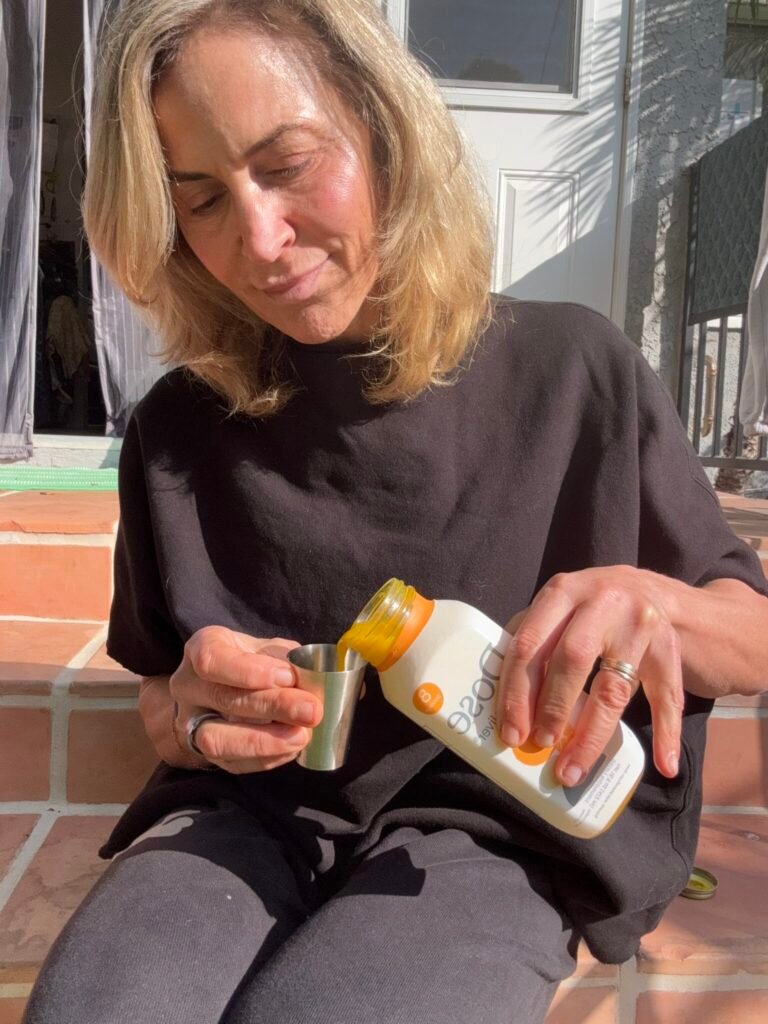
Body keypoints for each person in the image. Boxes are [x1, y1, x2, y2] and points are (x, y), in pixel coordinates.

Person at [23, 2, 768, 1022]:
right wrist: (195, 716)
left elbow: (752, 636)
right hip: (246, 819)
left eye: (288, 165)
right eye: (200, 199)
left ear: (382, 127)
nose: (260, 239)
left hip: (498, 833)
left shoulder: (574, 374)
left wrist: (662, 609)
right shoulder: (180, 430)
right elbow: (163, 699)